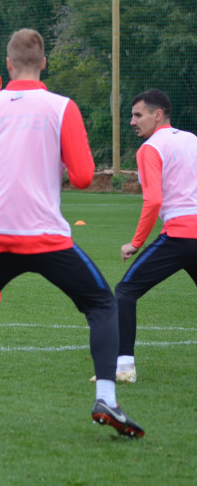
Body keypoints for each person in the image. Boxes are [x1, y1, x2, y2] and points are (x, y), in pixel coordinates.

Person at [0, 29, 143, 438]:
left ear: (7, 64)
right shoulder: (61, 107)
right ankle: (106, 398)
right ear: (43, 63)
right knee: (103, 305)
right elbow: (85, 177)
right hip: (42, 235)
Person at [112, 89, 197, 383]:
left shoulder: (150, 149)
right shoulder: (192, 140)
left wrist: (135, 243)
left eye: (138, 115)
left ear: (157, 115)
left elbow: (153, 201)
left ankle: (123, 368)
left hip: (178, 237)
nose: (132, 121)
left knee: (125, 292)